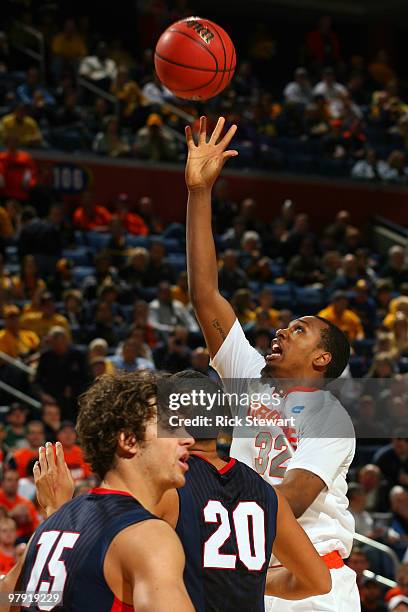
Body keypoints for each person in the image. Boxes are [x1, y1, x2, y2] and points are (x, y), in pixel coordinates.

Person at [185, 115, 359, 611]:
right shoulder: (249, 378)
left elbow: (287, 503)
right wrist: (199, 193)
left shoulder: (329, 418)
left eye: (299, 329)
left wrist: (201, 510)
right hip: (250, 578)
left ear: (322, 358)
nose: (282, 330)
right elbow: (206, 295)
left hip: (313, 588)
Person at [28, 373, 332, 611]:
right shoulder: (267, 493)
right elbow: (318, 580)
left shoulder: (165, 490)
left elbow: (53, 583)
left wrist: (58, 515)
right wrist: (238, 576)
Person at [6, 372, 196, 611]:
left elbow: (7, 598)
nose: (188, 439)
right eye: (172, 426)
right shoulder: (147, 536)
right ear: (128, 440)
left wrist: (55, 514)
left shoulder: (49, 528)